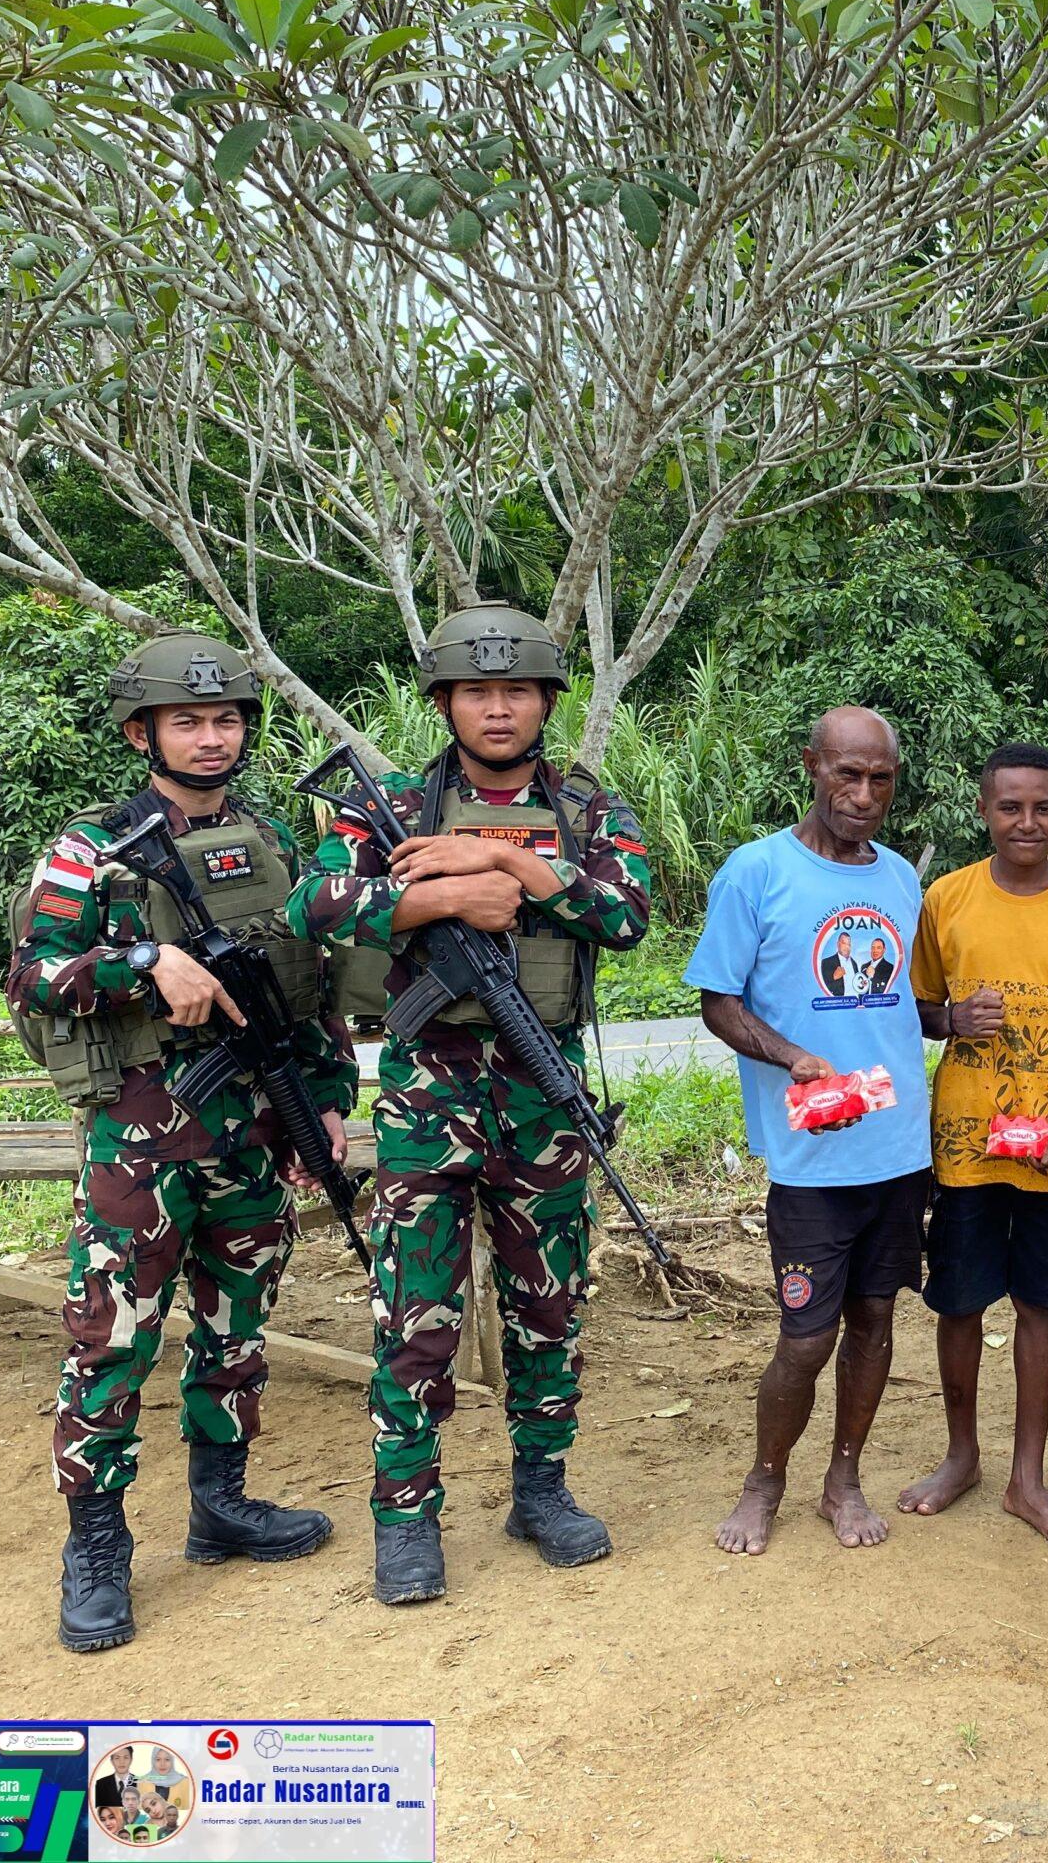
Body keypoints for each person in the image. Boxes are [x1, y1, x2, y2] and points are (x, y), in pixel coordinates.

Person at [288, 606, 652, 1605]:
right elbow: (312, 905)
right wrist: (438, 897)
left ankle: (541, 1489)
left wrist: (519, 870)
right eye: (477, 692)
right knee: (415, 1312)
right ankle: (405, 1515)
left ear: (543, 702)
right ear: (444, 701)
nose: (499, 709)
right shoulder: (393, 805)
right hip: (427, 1095)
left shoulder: (583, 810)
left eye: (518, 691)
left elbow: (628, 912)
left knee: (548, 1309)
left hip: (543, 1095)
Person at [10, 636, 352, 1654]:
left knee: (235, 1332)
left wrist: (325, 1102)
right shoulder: (92, 851)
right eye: (189, 721)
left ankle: (221, 1505)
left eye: (228, 719)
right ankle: (98, 1546)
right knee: (112, 1343)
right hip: (143, 1140)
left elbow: (310, 988)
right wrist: (145, 959)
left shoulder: (267, 836)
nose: (213, 736)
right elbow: (35, 976)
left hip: (254, 1129)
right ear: (142, 732)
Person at [688, 708, 930, 1554]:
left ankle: (845, 1479)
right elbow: (718, 998)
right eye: (847, 775)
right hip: (809, 1160)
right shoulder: (757, 872)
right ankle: (765, 1482)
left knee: (875, 1319)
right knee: (806, 1335)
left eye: (880, 779)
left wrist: (958, 1017)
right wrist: (789, 1054)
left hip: (899, 1151)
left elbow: (905, 1003)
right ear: (811, 767)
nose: (863, 796)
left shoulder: (901, 879)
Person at [899, 742, 1048, 1554]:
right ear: (983, 811)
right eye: (1010, 807)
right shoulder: (947, 900)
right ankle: (961, 1454)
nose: (1026, 822)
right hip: (966, 1148)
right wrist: (954, 1021)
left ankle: (1025, 1477)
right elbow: (920, 1009)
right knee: (959, 1305)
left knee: (1043, 1306)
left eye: (1041, 807)